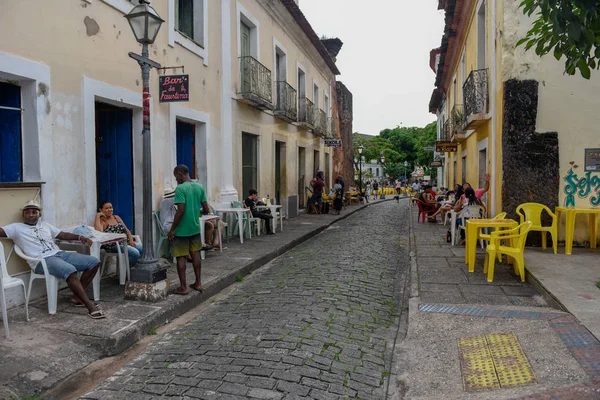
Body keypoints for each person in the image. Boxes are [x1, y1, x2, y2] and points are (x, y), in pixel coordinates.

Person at [0, 201, 105, 319]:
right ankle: (90, 307)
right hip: (42, 261)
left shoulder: (45, 225)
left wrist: (80, 237)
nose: (30, 214)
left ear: (39, 214)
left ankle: (77, 297)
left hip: (59, 254)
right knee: (70, 270)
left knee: (94, 262)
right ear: (23, 215)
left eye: (34, 212)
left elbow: (63, 235)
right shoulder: (16, 228)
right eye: (27, 212)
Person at [168, 164, 210, 295]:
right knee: (196, 255)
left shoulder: (180, 189)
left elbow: (180, 211)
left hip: (182, 230)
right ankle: (198, 283)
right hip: (195, 228)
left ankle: (183, 287)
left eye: (176, 177)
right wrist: (197, 212)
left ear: (180, 174)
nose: (176, 180)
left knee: (181, 257)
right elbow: (207, 209)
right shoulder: (199, 186)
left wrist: (172, 229)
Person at [94, 201, 143, 266]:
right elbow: (98, 233)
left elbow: (127, 230)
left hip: (125, 243)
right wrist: (97, 216)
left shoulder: (116, 218)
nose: (110, 210)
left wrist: (131, 240)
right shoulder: (102, 221)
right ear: (101, 210)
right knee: (135, 253)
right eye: (106, 208)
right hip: (113, 246)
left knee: (143, 250)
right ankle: (131, 269)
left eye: (111, 207)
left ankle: (138, 267)